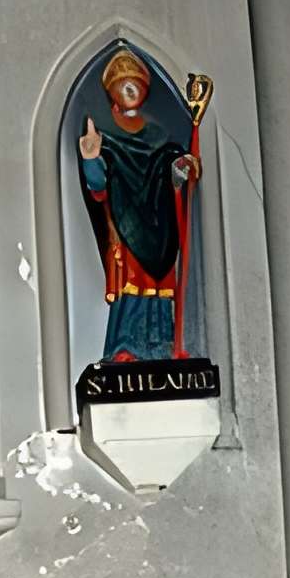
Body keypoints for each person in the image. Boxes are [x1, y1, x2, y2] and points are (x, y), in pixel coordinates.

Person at [77, 49, 199, 362]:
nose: (130, 90)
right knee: (132, 283)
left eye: (135, 84)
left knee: (159, 283)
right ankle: (125, 347)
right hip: (125, 222)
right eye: (123, 84)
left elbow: (170, 167)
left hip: (158, 221)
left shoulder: (158, 133)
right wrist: (91, 158)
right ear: (112, 93)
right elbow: (98, 188)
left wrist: (181, 166)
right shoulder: (107, 136)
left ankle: (160, 346)